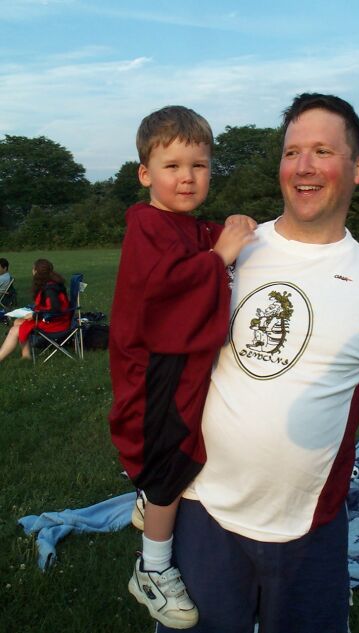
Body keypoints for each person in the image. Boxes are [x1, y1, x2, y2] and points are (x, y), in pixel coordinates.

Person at [154, 93, 359, 633]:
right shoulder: (230, 249)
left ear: (357, 169)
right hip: (202, 509)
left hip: (311, 528)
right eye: (292, 153)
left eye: (322, 152)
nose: (303, 167)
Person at [108, 106, 255, 629]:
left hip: (174, 367)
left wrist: (232, 231)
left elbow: (202, 241)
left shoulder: (181, 225)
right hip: (153, 372)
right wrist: (219, 258)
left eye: (199, 165)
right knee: (169, 463)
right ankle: (152, 569)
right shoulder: (148, 225)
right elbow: (167, 288)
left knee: (182, 449)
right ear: (145, 174)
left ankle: (148, 497)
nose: (187, 177)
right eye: (172, 166)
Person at [0, 259, 70, 362]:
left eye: (33, 269)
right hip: (58, 319)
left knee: (14, 330)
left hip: (56, 323)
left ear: (37, 272)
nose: (32, 271)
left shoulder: (50, 289)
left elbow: (55, 310)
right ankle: (26, 355)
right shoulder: (51, 282)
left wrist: (34, 315)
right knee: (17, 321)